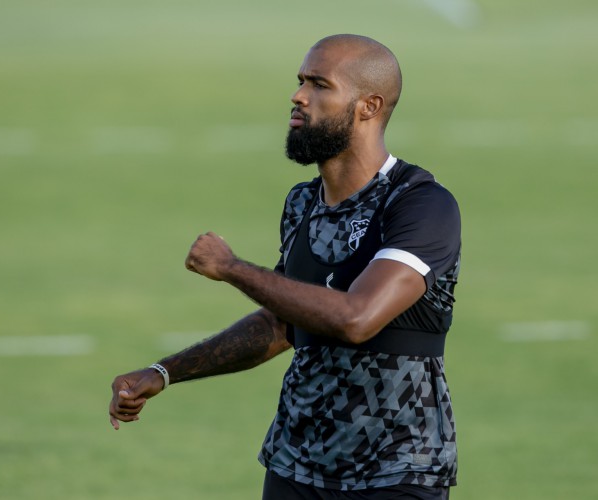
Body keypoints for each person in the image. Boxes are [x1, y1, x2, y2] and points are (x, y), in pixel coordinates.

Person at [109, 34, 461, 500]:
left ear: (369, 106)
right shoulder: (301, 203)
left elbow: (357, 318)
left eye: (319, 85)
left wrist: (233, 268)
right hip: (296, 464)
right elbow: (283, 324)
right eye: (300, 82)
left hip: (397, 470)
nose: (298, 96)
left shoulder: (420, 204)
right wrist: (165, 372)